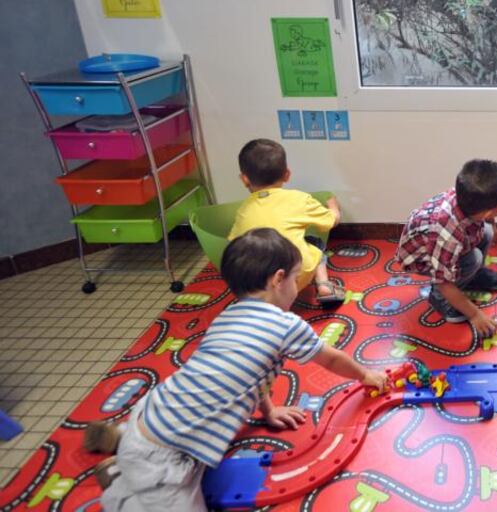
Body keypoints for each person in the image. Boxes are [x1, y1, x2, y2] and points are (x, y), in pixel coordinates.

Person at [90, 228, 387, 511]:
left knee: (165, 426)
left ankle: (123, 440)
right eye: (297, 279)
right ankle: (120, 485)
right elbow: (331, 359)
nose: (298, 287)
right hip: (165, 459)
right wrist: (365, 375)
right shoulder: (285, 324)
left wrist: (268, 411)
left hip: (156, 409)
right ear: (278, 279)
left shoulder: (228, 315)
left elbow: (248, 374)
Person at [395, 159, 497, 337]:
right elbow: (443, 282)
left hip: (446, 245)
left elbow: (485, 216)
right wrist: (475, 315)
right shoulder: (446, 232)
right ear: (489, 210)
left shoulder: (469, 198)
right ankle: (438, 299)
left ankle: (473, 276)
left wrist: (492, 224)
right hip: (423, 257)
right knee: (473, 259)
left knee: (486, 232)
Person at [228, 138, 344, 303]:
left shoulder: (244, 209)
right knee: (315, 242)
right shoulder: (299, 199)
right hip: (296, 275)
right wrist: (332, 204)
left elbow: (235, 242)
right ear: (287, 174)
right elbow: (332, 220)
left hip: (258, 284)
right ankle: (323, 284)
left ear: (244, 179)